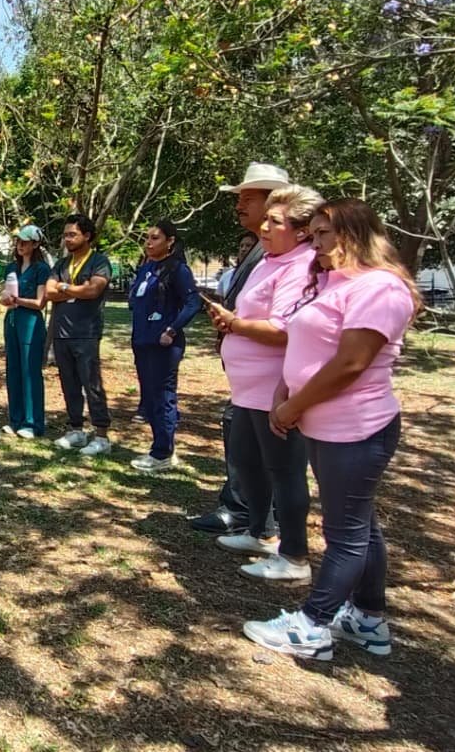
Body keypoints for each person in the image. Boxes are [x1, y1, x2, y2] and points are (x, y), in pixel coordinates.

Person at [243, 199, 419, 661]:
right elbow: (306, 343)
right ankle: (368, 618)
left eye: (324, 234)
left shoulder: (381, 289)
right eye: (314, 234)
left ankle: (313, 626)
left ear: (355, 234)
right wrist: (285, 390)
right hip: (324, 425)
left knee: (346, 534)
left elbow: (350, 363)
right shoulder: (331, 283)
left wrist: (293, 405)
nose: (316, 244)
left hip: (356, 427)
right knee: (362, 527)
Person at [203, 186, 323, 582]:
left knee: (285, 470)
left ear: (303, 231)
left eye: (275, 221)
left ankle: (294, 555)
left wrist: (235, 324)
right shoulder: (268, 259)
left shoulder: (301, 265)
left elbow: (282, 328)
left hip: (275, 387)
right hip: (246, 388)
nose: (265, 226)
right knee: (245, 461)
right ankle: (260, 532)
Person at [189, 161, 291, 535]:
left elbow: (283, 322)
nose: (239, 205)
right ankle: (252, 513)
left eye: (248, 198)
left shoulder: (281, 255)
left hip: (271, 378)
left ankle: (248, 511)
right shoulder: (258, 253)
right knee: (244, 439)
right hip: (249, 375)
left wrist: (234, 323)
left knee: (258, 446)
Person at [128, 220, 201, 472]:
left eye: (155, 238)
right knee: (149, 396)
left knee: (162, 396)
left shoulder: (178, 270)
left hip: (164, 344)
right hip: (142, 341)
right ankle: (161, 443)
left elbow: (193, 303)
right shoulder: (146, 269)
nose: (149, 242)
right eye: (147, 238)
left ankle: (163, 453)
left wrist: (172, 328)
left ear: (170, 241)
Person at [46, 214, 113, 456]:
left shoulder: (99, 261)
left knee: (91, 383)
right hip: (62, 333)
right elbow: (50, 292)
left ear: (87, 235)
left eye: (72, 234)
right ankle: (76, 429)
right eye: (65, 235)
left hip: (86, 332)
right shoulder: (62, 264)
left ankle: (102, 435)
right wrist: (74, 290)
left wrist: (65, 288)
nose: (67, 239)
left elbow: (94, 290)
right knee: (69, 383)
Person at [0, 225, 51, 438]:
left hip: (30, 322)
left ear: (36, 244)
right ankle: (16, 419)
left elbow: (40, 302)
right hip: (11, 320)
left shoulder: (41, 269)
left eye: (26, 241)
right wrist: (4, 299)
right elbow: (5, 292)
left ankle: (33, 422)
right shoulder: (11, 267)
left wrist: (17, 300)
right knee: (13, 370)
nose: (21, 245)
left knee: (30, 372)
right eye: (19, 241)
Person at [217, 233, 259, 297]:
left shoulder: (263, 274)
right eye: (241, 246)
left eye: (248, 245)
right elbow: (219, 300)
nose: (243, 249)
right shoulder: (227, 276)